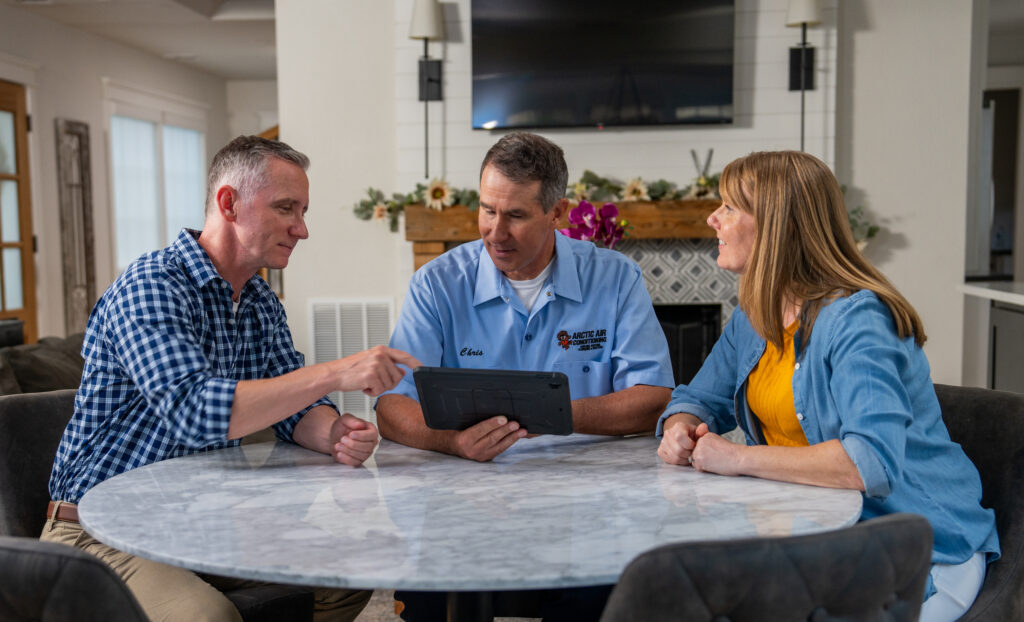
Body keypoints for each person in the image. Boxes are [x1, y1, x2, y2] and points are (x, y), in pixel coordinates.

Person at [43, 135, 420, 622]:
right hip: (102, 529)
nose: (302, 229)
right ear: (229, 203)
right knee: (207, 617)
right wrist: (336, 371)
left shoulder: (260, 302)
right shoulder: (152, 285)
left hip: (203, 517)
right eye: (286, 208)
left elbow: (295, 406)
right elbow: (196, 412)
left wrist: (332, 432)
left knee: (345, 577)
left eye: (303, 211)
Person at [656, 150, 999, 622]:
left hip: (920, 551)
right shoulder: (755, 316)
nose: (713, 218)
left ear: (782, 226)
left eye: (731, 207)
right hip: (823, 536)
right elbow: (697, 398)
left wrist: (736, 457)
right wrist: (680, 425)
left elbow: (870, 462)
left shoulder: (860, 321)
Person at [377, 131, 674, 621]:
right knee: (432, 600)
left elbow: (654, 397)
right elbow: (391, 405)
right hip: (465, 498)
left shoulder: (616, 278)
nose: (495, 231)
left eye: (515, 215)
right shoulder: (435, 284)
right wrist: (455, 443)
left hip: (587, 501)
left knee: (610, 595)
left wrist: (553, 416)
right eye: (487, 210)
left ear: (556, 214)